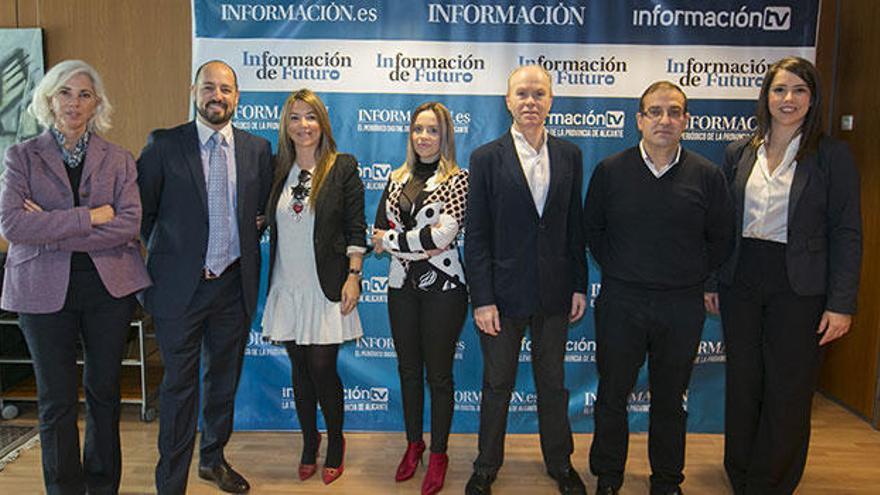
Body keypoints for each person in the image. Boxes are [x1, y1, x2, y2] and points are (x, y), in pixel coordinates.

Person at [706, 56, 861, 495]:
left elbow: (848, 232)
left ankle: (773, 481)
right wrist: (712, 281)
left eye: (798, 90)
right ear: (766, 97)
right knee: (744, 380)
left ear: (812, 99)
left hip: (801, 285)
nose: (787, 99)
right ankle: (742, 472)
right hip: (742, 279)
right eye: (779, 90)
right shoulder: (740, 150)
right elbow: (720, 226)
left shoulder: (832, 156)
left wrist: (841, 303)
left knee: (788, 385)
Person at [0, 59, 151, 495]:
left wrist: (51, 226)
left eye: (85, 94)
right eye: (65, 92)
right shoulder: (21, 156)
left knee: (104, 394)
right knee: (56, 401)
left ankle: (103, 487)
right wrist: (89, 218)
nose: (74, 102)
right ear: (49, 99)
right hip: (42, 292)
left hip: (107, 290)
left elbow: (128, 224)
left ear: (97, 103)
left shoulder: (118, 158)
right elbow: (13, 226)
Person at [583, 81, 734, 495]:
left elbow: (721, 238)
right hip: (622, 301)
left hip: (681, 304)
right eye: (655, 111)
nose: (664, 120)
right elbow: (593, 229)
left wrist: (689, 273)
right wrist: (621, 267)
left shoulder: (707, 175)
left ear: (686, 120)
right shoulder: (611, 171)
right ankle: (609, 476)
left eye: (673, 112)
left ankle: (666, 480)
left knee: (671, 399)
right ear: (639, 120)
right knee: (613, 395)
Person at [137, 60, 273, 494]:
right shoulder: (163, 145)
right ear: (193, 91)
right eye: (210, 87)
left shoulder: (257, 150)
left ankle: (212, 460)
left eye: (227, 89)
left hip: (232, 287)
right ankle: (170, 482)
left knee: (222, 383)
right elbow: (144, 214)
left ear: (238, 97)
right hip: (180, 289)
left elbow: (259, 216)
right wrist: (174, 259)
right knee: (179, 388)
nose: (218, 96)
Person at [464, 65, 588, 495]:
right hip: (501, 295)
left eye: (539, 93)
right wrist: (482, 298)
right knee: (497, 384)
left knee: (552, 385)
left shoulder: (570, 154)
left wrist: (578, 284)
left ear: (551, 100)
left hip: (555, 294)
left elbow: (575, 226)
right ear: (508, 101)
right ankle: (485, 467)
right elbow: (476, 235)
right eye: (522, 94)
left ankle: (561, 464)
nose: (531, 101)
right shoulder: (484, 158)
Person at [261, 88, 366, 485]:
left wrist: (354, 276)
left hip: (326, 288)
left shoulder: (342, 167)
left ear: (322, 122)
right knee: (300, 370)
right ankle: (310, 441)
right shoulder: (275, 171)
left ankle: (336, 442)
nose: (303, 125)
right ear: (285, 126)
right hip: (287, 286)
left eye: (310, 117)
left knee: (322, 368)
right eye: (294, 117)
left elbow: (356, 228)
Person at [371, 102, 469, 495]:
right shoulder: (395, 178)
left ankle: (440, 455)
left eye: (432, 130)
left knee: (440, 376)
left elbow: (442, 237)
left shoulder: (459, 180)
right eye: (418, 129)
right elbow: (376, 234)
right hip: (401, 290)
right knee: (409, 372)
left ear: (445, 136)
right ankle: (415, 445)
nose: (424, 137)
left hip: (445, 290)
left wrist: (396, 240)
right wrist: (405, 243)